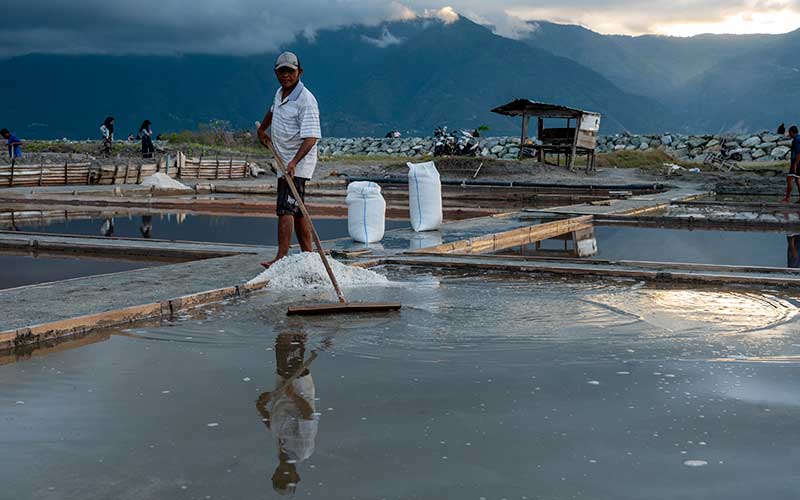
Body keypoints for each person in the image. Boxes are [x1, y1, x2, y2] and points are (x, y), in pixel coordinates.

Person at [257, 51, 322, 268]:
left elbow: (311, 138)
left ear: (299, 72)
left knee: (286, 208)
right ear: (276, 72)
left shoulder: (306, 100)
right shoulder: (280, 93)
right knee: (298, 209)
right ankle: (308, 256)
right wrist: (263, 129)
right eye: (281, 71)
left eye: (290, 71)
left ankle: (281, 258)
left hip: (297, 163)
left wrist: (294, 162)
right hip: (283, 160)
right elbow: (273, 110)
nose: (286, 75)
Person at [256, 331, 319, 496]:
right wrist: (292, 395)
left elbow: (274, 426)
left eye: (277, 479)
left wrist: (261, 407)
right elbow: (308, 415)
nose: (281, 475)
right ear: (296, 476)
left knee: (283, 345)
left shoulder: (281, 451)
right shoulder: (302, 450)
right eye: (286, 479)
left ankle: (295, 319)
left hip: (283, 388)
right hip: (298, 386)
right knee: (289, 344)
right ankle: (297, 319)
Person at [784, 125, 800, 203]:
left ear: (791, 132)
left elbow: (799, 152)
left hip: (796, 162)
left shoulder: (796, 140)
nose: (789, 135)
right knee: (798, 180)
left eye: (789, 133)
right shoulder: (798, 138)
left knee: (790, 179)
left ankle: (787, 199)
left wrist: (795, 164)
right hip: (797, 162)